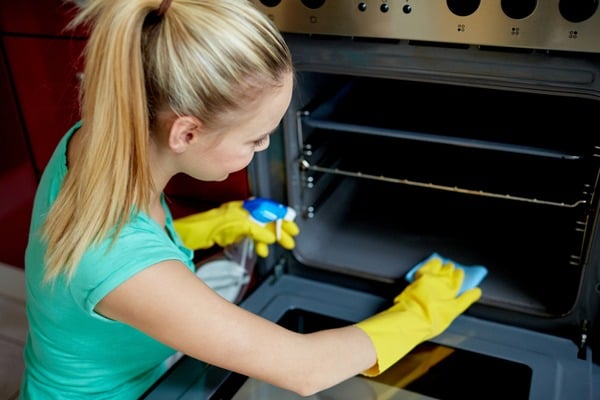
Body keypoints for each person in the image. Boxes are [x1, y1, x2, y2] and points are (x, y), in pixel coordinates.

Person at [20, 0, 482, 398]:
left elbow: (125, 257)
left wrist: (220, 222)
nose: (264, 148)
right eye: (256, 138)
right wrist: (420, 314)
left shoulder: (93, 144)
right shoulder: (115, 261)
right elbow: (304, 368)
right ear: (185, 132)